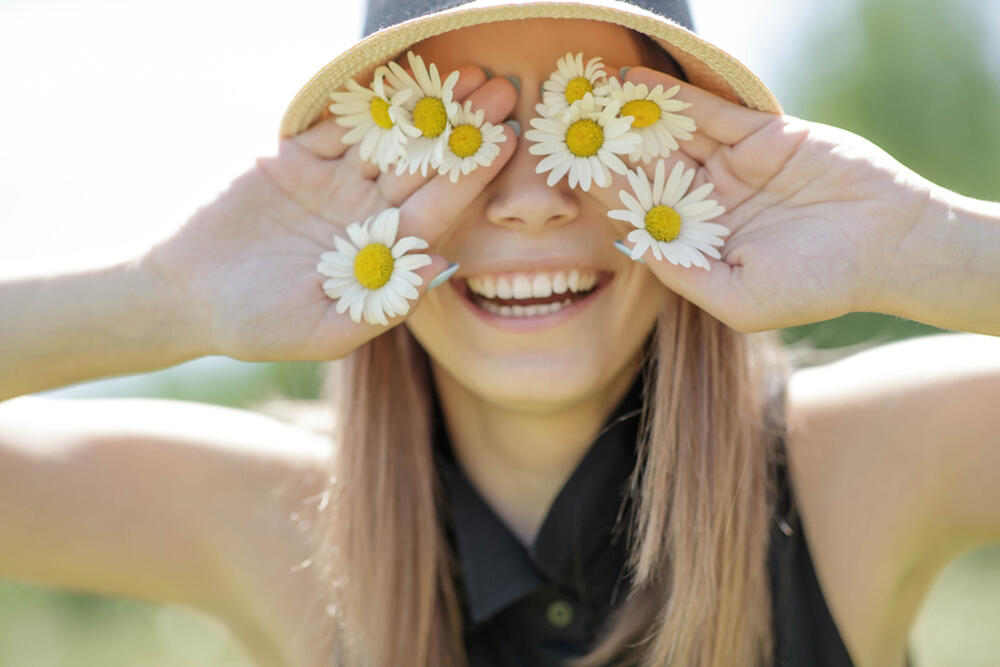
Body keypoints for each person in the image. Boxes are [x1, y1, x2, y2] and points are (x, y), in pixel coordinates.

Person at [0, 0, 998, 666]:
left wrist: (915, 245)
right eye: (452, 136)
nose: (526, 199)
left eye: (596, 120)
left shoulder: (853, 467)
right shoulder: (278, 518)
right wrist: (165, 299)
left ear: (693, 160)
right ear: (362, 189)